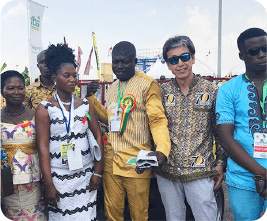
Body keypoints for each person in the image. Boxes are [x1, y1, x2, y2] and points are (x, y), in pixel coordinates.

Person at [87, 41, 171, 221]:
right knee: (112, 213)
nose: (119, 66)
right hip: (111, 161)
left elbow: (157, 120)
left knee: (139, 214)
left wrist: (162, 150)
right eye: (115, 62)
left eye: (124, 62)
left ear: (135, 61)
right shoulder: (112, 88)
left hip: (137, 161)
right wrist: (90, 98)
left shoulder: (148, 85)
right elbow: (108, 118)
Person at [155, 36, 226, 221]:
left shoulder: (211, 90)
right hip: (168, 171)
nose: (180, 63)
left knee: (207, 217)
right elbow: (154, 125)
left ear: (193, 58)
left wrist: (220, 164)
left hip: (200, 169)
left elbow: (220, 131)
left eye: (184, 57)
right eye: (173, 60)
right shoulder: (161, 93)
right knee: (173, 218)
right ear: (169, 65)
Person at [35, 43, 104, 220]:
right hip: (59, 177)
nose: (72, 80)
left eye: (74, 75)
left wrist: (97, 172)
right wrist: (48, 183)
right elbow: (42, 148)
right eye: (67, 76)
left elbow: (97, 136)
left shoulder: (85, 105)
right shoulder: (45, 108)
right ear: (55, 78)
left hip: (85, 175)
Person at [216, 27, 267, 220]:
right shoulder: (228, 89)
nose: (262, 54)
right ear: (241, 55)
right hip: (243, 178)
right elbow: (225, 138)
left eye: (265, 48)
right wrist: (262, 173)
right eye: (254, 51)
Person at [1, 70, 46, 221]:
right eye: (11, 88)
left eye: (20, 88)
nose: (16, 92)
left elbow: (45, 148)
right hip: (7, 183)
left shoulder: (36, 115)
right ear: (2, 91)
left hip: (34, 183)